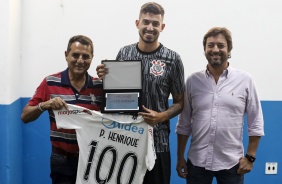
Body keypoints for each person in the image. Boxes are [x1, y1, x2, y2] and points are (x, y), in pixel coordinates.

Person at [96, 2, 185, 184]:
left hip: (158, 143)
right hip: (126, 140)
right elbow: (115, 95)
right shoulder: (124, 53)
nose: (150, 28)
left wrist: (161, 116)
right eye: (146, 22)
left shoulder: (173, 59)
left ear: (162, 27)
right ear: (137, 23)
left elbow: (180, 103)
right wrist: (103, 78)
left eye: (155, 23)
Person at [176, 27, 264, 184]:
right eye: (210, 45)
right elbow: (184, 123)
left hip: (232, 163)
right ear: (204, 49)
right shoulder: (192, 81)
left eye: (220, 45)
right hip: (197, 162)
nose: (215, 49)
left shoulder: (245, 80)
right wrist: (180, 157)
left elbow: (256, 121)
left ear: (229, 49)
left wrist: (250, 157)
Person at [21, 35, 103, 184]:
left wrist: (112, 80)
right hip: (62, 160)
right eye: (75, 55)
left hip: (93, 159)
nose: (80, 60)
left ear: (92, 58)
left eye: (86, 56)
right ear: (66, 55)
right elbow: (25, 116)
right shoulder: (50, 82)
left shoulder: (99, 86)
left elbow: (118, 114)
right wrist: (44, 105)